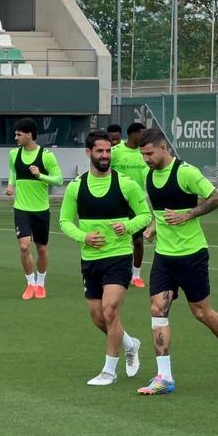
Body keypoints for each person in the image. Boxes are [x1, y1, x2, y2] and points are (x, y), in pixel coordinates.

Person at [135, 128, 218, 395]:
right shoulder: (149, 175)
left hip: (192, 254)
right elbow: (160, 212)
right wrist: (153, 227)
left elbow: (216, 199)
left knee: (201, 313)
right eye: (143, 155)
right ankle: (164, 377)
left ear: (163, 148)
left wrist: (187, 215)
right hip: (164, 256)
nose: (146, 159)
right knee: (157, 310)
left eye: (149, 154)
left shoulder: (186, 172)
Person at [58, 130, 149, 386]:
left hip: (119, 257)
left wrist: (128, 226)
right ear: (89, 152)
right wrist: (83, 237)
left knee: (110, 311)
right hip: (90, 259)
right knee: (99, 318)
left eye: (108, 151)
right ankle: (130, 344)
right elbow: (64, 221)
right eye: (100, 151)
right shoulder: (76, 186)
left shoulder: (126, 184)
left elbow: (145, 215)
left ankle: (109, 371)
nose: (105, 155)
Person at [7, 118, 64, 300]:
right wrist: (11, 185)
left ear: (29, 135)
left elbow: (59, 180)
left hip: (40, 209)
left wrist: (40, 176)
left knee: (41, 248)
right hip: (21, 208)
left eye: (19, 134)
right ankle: (30, 283)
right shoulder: (13, 154)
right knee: (24, 246)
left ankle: (41, 284)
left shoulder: (46, 156)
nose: (16, 137)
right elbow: (13, 171)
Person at [110, 122, 149, 288]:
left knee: (138, 240)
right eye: (142, 134)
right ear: (133, 134)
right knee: (114, 238)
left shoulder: (145, 152)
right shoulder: (115, 151)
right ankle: (113, 272)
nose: (144, 137)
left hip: (137, 202)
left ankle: (136, 275)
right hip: (117, 201)